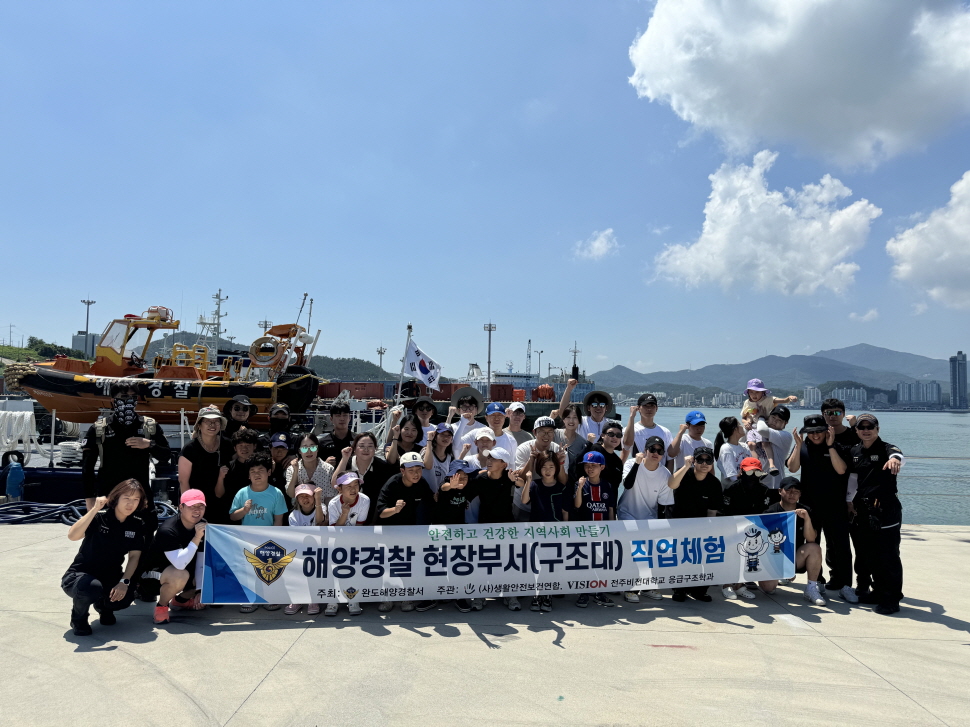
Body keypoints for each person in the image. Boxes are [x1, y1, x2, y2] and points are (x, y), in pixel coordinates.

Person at [61, 479, 147, 635]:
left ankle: (104, 607)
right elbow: (72, 536)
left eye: (136, 499)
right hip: (80, 575)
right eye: (126, 498)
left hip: (110, 575)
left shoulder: (136, 524)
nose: (131, 503)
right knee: (91, 588)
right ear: (116, 498)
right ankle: (79, 618)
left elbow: (134, 556)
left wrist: (124, 582)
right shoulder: (99, 518)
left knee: (127, 595)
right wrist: (94, 509)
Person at [787, 414, 857, 603]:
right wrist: (798, 445)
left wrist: (831, 446)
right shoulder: (802, 446)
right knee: (813, 543)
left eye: (819, 431)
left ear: (827, 430)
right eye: (811, 432)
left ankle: (846, 585)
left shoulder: (837, 446)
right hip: (810, 506)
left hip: (835, 505)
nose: (815, 435)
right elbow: (792, 468)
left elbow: (841, 470)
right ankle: (816, 582)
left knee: (841, 545)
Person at [844, 413, 905, 615]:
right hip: (863, 509)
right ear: (856, 430)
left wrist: (895, 460)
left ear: (877, 429)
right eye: (862, 427)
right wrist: (849, 501)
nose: (866, 430)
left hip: (886, 509)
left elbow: (898, 455)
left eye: (870, 427)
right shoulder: (855, 451)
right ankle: (878, 592)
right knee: (870, 554)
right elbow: (853, 479)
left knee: (889, 555)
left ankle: (892, 599)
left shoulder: (887, 449)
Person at [82, 381, 170, 514]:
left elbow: (166, 456)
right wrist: (90, 498)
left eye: (133, 397)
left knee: (147, 526)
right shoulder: (99, 429)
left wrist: (149, 444)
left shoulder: (149, 426)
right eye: (124, 397)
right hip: (109, 496)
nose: (129, 400)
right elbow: (87, 468)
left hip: (141, 497)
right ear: (113, 400)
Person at [374, 451, 434, 613]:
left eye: (419, 469)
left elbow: (431, 504)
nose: (416, 474)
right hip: (390, 530)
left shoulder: (422, 483)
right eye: (411, 470)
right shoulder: (392, 484)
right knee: (388, 566)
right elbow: (381, 512)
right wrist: (395, 509)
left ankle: (407, 596)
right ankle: (387, 597)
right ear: (402, 471)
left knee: (408, 565)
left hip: (410, 531)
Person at [618, 436, 673, 603]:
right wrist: (637, 463)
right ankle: (630, 588)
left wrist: (662, 528)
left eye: (660, 451)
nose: (656, 453)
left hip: (650, 517)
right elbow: (627, 485)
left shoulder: (665, 473)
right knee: (635, 553)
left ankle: (647, 586)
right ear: (645, 450)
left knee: (651, 555)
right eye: (652, 449)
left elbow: (664, 504)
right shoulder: (631, 464)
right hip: (627, 514)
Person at [231, 453, 288, 613]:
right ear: (248, 475)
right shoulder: (242, 493)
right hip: (246, 541)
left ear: (269, 472)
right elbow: (233, 516)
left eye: (260, 470)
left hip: (268, 541)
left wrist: (273, 541)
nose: (256, 474)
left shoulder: (276, 493)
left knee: (268, 571)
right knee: (249, 572)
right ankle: (249, 599)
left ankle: (269, 598)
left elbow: (278, 520)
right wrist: (244, 510)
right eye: (253, 471)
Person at [758, 477, 826, 606]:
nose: (792, 494)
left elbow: (811, 539)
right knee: (768, 588)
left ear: (800, 494)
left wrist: (806, 519)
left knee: (814, 548)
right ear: (780, 491)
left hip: (795, 557)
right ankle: (780, 575)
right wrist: (783, 569)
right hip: (774, 557)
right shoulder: (770, 512)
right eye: (788, 490)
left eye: (796, 491)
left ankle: (811, 588)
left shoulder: (805, 511)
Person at [145, 489, 208, 625]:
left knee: (210, 576)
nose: (197, 510)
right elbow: (179, 563)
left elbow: (202, 559)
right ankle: (161, 606)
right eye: (192, 506)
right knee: (180, 575)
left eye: (201, 506)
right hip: (154, 577)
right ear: (181, 507)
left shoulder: (202, 524)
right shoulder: (168, 530)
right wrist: (197, 537)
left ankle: (180, 601)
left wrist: (201, 591)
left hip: (183, 569)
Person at [667, 448, 722, 603]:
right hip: (678, 523)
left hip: (700, 526)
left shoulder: (714, 483)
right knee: (680, 558)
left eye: (708, 460)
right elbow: (671, 484)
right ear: (694, 461)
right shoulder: (684, 473)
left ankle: (699, 590)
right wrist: (685, 466)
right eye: (700, 460)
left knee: (702, 557)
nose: (704, 463)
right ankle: (679, 589)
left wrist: (709, 532)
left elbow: (712, 511)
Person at [521, 450, 569, 612]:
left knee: (551, 565)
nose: (547, 470)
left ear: (556, 468)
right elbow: (524, 500)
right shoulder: (535, 485)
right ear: (539, 468)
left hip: (555, 533)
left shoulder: (562, 488)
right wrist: (528, 481)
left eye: (551, 467)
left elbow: (565, 512)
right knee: (537, 565)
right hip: (536, 532)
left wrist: (565, 532)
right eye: (544, 467)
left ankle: (547, 594)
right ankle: (537, 594)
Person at [720, 457, 774, 600]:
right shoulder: (731, 489)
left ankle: (739, 585)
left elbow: (765, 513)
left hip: (754, 531)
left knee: (748, 555)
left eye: (756, 473)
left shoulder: (764, 490)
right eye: (749, 472)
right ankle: (727, 585)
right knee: (731, 554)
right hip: (732, 529)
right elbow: (724, 512)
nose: (753, 476)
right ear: (742, 471)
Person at [572, 451, 617, 608]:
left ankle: (599, 592)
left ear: (602, 467)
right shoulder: (581, 484)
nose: (589, 469)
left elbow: (610, 509)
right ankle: (584, 593)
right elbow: (577, 505)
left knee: (601, 563)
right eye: (587, 465)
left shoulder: (607, 486)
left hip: (602, 532)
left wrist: (612, 529)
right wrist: (580, 488)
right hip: (585, 532)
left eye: (593, 465)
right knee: (585, 563)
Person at [323, 473, 371, 617]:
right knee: (333, 571)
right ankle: (332, 601)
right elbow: (335, 530)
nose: (353, 489)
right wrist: (344, 513)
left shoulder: (364, 500)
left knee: (353, 571)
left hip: (355, 541)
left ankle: (353, 599)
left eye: (356, 485)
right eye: (348, 486)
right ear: (339, 489)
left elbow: (360, 525)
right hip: (336, 541)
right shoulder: (333, 503)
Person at [178, 405, 234, 524]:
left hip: (222, 503)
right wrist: (188, 507)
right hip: (197, 504)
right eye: (208, 421)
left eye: (216, 421)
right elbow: (183, 482)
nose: (212, 425)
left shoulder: (228, 445)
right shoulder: (189, 449)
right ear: (199, 425)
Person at [332, 432, 397, 524]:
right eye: (361, 446)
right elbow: (335, 484)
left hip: (373, 517)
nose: (366, 449)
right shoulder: (346, 463)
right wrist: (345, 458)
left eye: (370, 446)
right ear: (354, 448)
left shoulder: (382, 467)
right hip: (345, 515)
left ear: (375, 448)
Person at [513, 417, 567, 522]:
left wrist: (560, 463)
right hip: (523, 505)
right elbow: (521, 480)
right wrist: (531, 459)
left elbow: (563, 482)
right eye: (542, 431)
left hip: (548, 506)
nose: (546, 435)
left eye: (550, 432)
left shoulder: (559, 450)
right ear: (534, 432)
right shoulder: (523, 449)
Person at [284, 484, 326, 617]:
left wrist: (318, 501)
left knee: (314, 571)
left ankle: (313, 600)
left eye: (308, 495)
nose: (305, 499)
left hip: (319, 549)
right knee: (295, 571)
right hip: (301, 551)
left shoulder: (322, 507)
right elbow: (296, 537)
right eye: (301, 496)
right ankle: (297, 599)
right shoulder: (294, 515)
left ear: (314, 496)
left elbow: (320, 522)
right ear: (297, 499)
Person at [286, 433, 337, 508]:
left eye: (313, 447)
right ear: (299, 451)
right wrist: (295, 471)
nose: (309, 451)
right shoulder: (291, 469)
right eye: (304, 448)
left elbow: (330, 497)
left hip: (322, 511)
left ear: (317, 449)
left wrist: (325, 514)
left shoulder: (329, 469)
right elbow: (291, 494)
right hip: (299, 512)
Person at [622, 394, 673, 469]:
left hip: (660, 473)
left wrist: (669, 475)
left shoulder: (665, 432)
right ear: (638, 408)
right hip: (638, 472)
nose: (649, 409)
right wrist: (632, 417)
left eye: (652, 406)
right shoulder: (630, 430)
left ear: (656, 408)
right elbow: (627, 445)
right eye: (645, 406)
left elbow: (670, 458)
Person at [753, 405, 794, 492]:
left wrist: (761, 417)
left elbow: (762, 430)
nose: (774, 421)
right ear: (769, 417)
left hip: (774, 486)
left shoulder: (785, 436)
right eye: (773, 417)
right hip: (755, 483)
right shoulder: (757, 429)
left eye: (779, 420)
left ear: (785, 423)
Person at [223, 428, 261, 512]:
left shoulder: (262, 466)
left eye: (248, 445)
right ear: (235, 448)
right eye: (240, 445)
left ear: (254, 446)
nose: (244, 449)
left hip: (257, 509)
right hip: (233, 511)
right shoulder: (228, 467)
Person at [446, 387, 484, 459]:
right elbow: (444, 438)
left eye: (471, 407)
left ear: (476, 410)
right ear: (459, 410)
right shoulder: (453, 427)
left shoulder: (483, 428)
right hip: (457, 463)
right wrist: (449, 417)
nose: (467, 410)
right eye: (464, 407)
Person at [714, 416, 751, 488]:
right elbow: (732, 477)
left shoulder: (744, 446)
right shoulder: (726, 449)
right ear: (735, 429)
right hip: (734, 490)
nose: (742, 426)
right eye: (739, 424)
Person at [421, 423, 455, 493]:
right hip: (425, 494)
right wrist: (429, 441)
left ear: (451, 439)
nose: (445, 438)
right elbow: (428, 466)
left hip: (441, 495)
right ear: (435, 437)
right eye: (442, 434)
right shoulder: (426, 450)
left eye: (449, 435)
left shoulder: (450, 457)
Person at [554, 403, 589, 469]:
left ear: (579, 420)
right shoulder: (554, 434)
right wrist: (550, 418)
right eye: (568, 417)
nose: (571, 421)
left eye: (575, 417)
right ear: (563, 419)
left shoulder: (582, 443)